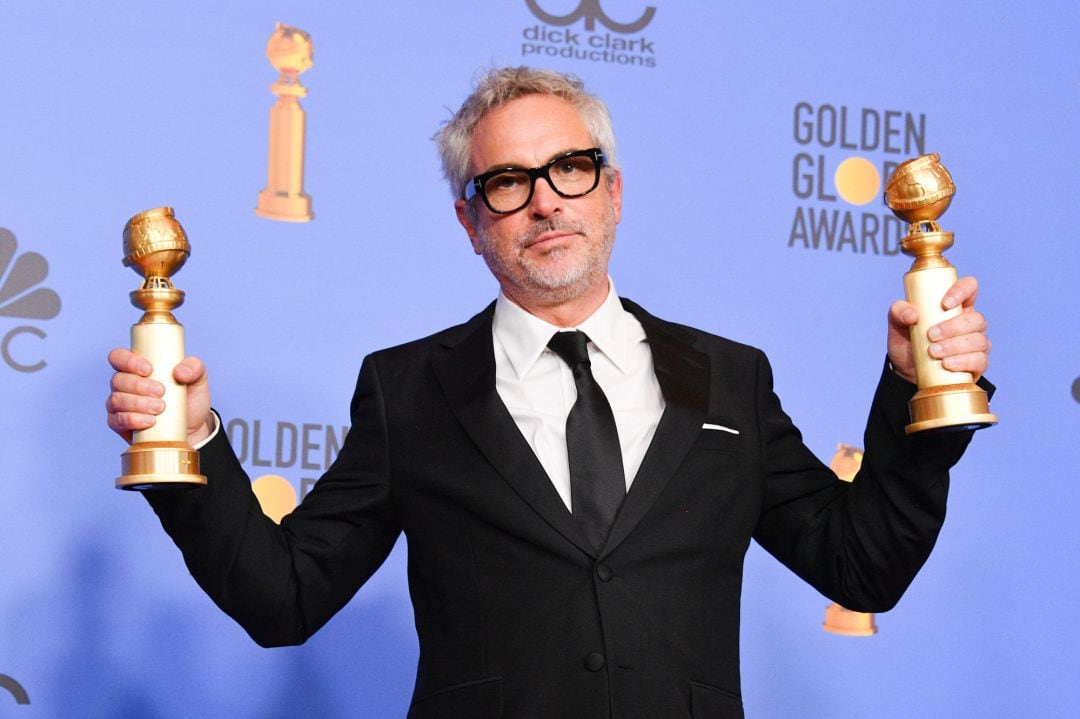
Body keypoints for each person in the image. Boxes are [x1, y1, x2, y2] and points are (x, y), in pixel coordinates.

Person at [106, 67, 992, 719]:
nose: (545, 202)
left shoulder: (729, 376)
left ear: (612, 190)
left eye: (571, 167)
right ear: (470, 220)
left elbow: (862, 564)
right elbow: (283, 597)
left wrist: (916, 397)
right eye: (507, 181)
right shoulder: (410, 389)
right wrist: (190, 448)